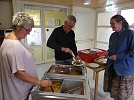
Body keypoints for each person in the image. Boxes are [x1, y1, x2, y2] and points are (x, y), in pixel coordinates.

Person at [0, 12, 52, 100]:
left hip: (17, 92)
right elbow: (19, 73)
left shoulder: (10, 40)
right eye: (27, 30)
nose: (28, 33)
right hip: (18, 94)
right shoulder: (14, 45)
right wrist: (39, 82)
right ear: (18, 26)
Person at [103, 14, 134, 100]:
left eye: (113, 23)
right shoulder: (113, 35)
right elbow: (111, 48)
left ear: (120, 23)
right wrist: (108, 52)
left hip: (124, 70)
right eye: (110, 24)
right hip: (113, 68)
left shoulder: (130, 34)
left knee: (122, 95)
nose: (111, 26)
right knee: (115, 93)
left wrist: (118, 57)